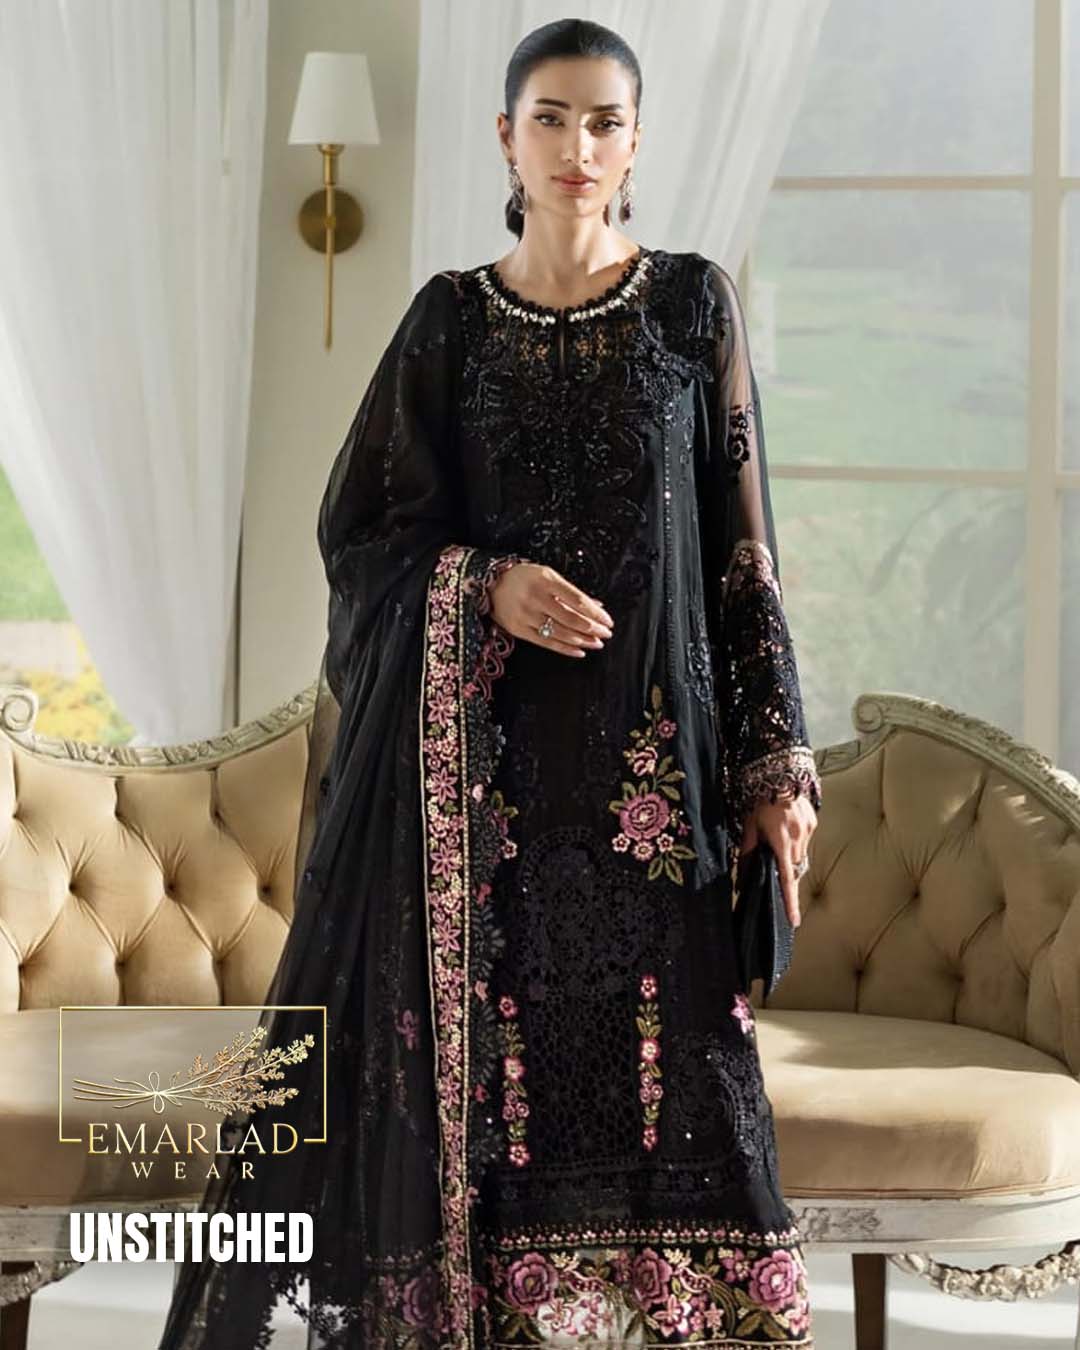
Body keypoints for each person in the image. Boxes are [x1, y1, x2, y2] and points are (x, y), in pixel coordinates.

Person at [155, 17, 821, 1349]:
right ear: (506, 137)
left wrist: (775, 765)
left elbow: (743, 554)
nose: (580, 146)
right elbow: (362, 537)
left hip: (658, 798)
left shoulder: (693, 306)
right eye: (553, 118)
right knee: (500, 1116)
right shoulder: (450, 324)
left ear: (637, 142)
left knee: (688, 1098)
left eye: (607, 121)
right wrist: (484, 584)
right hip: (489, 805)